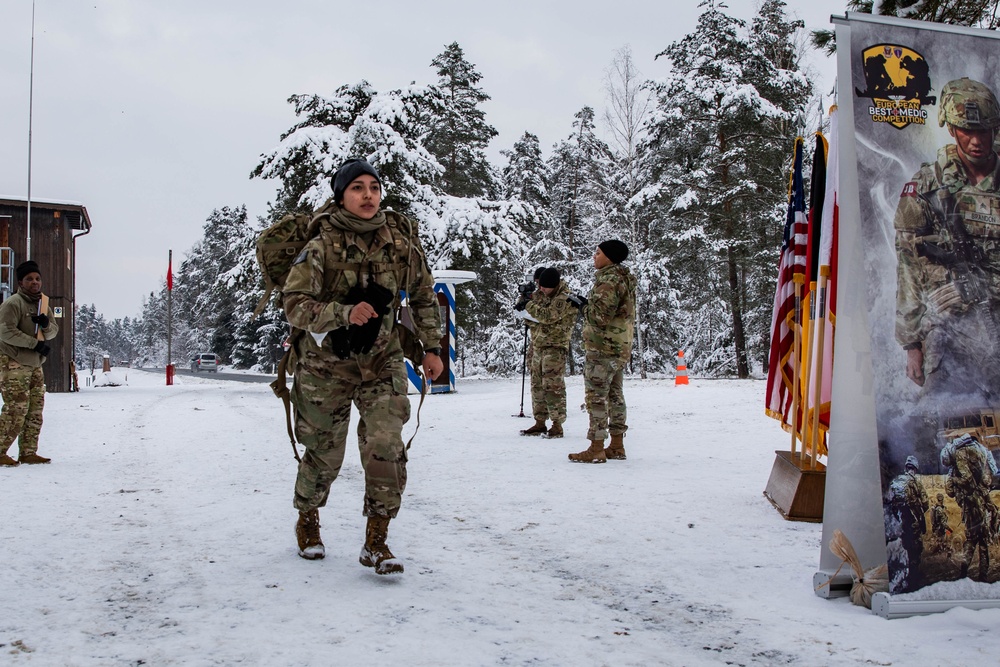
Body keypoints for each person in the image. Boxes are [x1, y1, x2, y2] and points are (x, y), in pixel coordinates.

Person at [281, 158, 443, 574]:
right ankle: (308, 520)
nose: (368, 195)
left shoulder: (401, 244)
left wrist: (432, 347)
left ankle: (377, 541)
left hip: (382, 361)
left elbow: (424, 296)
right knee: (323, 453)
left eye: (374, 186)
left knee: (386, 447)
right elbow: (294, 306)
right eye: (357, 188)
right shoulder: (319, 246)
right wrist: (341, 313)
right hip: (324, 367)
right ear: (341, 196)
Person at [894, 78, 1000, 404]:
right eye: (967, 130)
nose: (977, 139)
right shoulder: (926, 187)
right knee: (942, 428)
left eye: (985, 130)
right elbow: (908, 266)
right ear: (951, 129)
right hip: (949, 332)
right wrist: (912, 345)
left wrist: (981, 285)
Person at [568, 239, 636, 463]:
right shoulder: (623, 278)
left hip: (603, 348)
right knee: (615, 395)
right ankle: (617, 444)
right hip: (619, 346)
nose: (594, 256)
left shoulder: (608, 280)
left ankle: (596, 448)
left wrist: (582, 307)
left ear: (609, 256)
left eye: (598, 253)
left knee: (596, 397)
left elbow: (599, 318)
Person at [0, 260, 58, 467]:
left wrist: (45, 325)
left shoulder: (42, 303)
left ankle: (28, 451)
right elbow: (5, 331)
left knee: (35, 409)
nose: (34, 282)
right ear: (21, 282)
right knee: (16, 407)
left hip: (34, 364)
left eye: (37, 279)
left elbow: (53, 330)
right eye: (29, 279)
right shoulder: (13, 303)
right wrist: (34, 344)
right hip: (14, 362)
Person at [515, 267, 577, 438]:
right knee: (537, 386)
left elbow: (548, 316)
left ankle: (557, 424)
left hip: (555, 346)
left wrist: (529, 306)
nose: (540, 289)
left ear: (554, 285)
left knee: (553, 386)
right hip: (539, 344)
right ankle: (540, 422)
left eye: (544, 287)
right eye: (539, 286)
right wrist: (524, 300)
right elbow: (532, 315)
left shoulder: (564, 298)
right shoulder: (543, 294)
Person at [941, 433, 997, 581]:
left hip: (971, 508)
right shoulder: (979, 454)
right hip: (982, 504)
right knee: (983, 543)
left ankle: (963, 574)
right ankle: (982, 577)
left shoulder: (958, 459)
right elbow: (986, 480)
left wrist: (953, 479)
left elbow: (954, 489)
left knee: (972, 541)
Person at [887, 455, 929, 592]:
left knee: (901, 550)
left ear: (906, 467)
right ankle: (913, 582)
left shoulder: (896, 481)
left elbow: (890, 502)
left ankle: (899, 577)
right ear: (915, 469)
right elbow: (925, 503)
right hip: (912, 523)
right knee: (915, 551)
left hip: (898, 524)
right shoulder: (915, 482)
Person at [516, 266, 546, 435]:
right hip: (535, 339)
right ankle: (539, 416)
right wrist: (524, 299)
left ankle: (552, 416)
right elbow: (520, 309)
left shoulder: (551, 294)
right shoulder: (533, 294)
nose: (537, 285)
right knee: (534, 374)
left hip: (548, 341)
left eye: (538, 282)